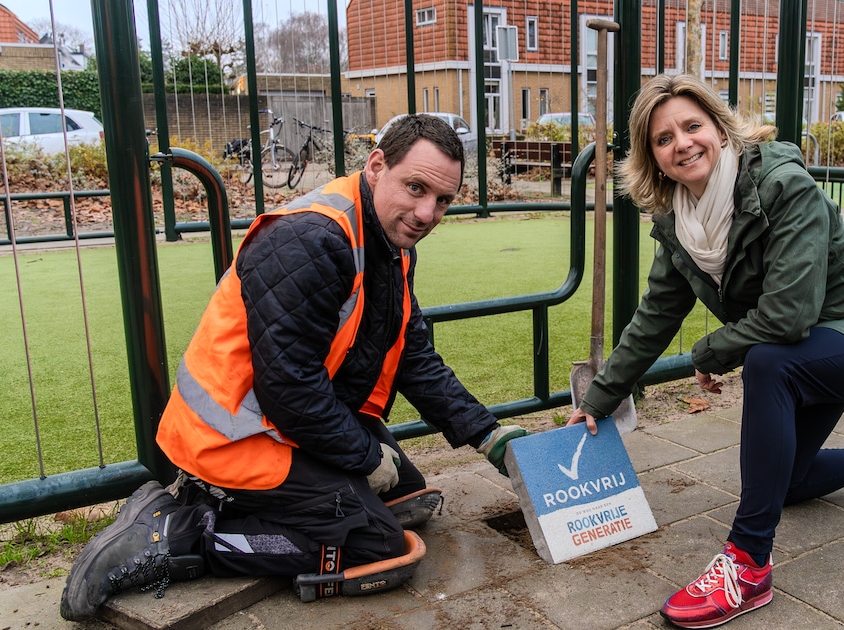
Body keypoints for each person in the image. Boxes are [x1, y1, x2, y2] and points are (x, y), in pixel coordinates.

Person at [60, 114, 528, 621]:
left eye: (442, 200)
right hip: (232, 437)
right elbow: (289, 387)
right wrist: (363, 457)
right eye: (416, 188)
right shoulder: (312, 239)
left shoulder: (389, 241)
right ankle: (182, 532)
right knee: (376, 545)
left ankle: (272, 507)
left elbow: (412, 354)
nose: (426, 213)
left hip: (284, 420)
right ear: (376, 166)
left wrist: (487, 434)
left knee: (410, 497)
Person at [567, 74, 844, 629]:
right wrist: (598, 400)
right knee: (785, 482)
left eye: (692, 126)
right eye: (663, 138)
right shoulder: (680, 221)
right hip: (809, 345)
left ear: (720, 129)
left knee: (767, 362)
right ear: (654, 159)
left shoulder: (783, 185)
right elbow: (655, 316)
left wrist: (711, 351)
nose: (682, 144)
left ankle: (747, 565)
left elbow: (788, 316)